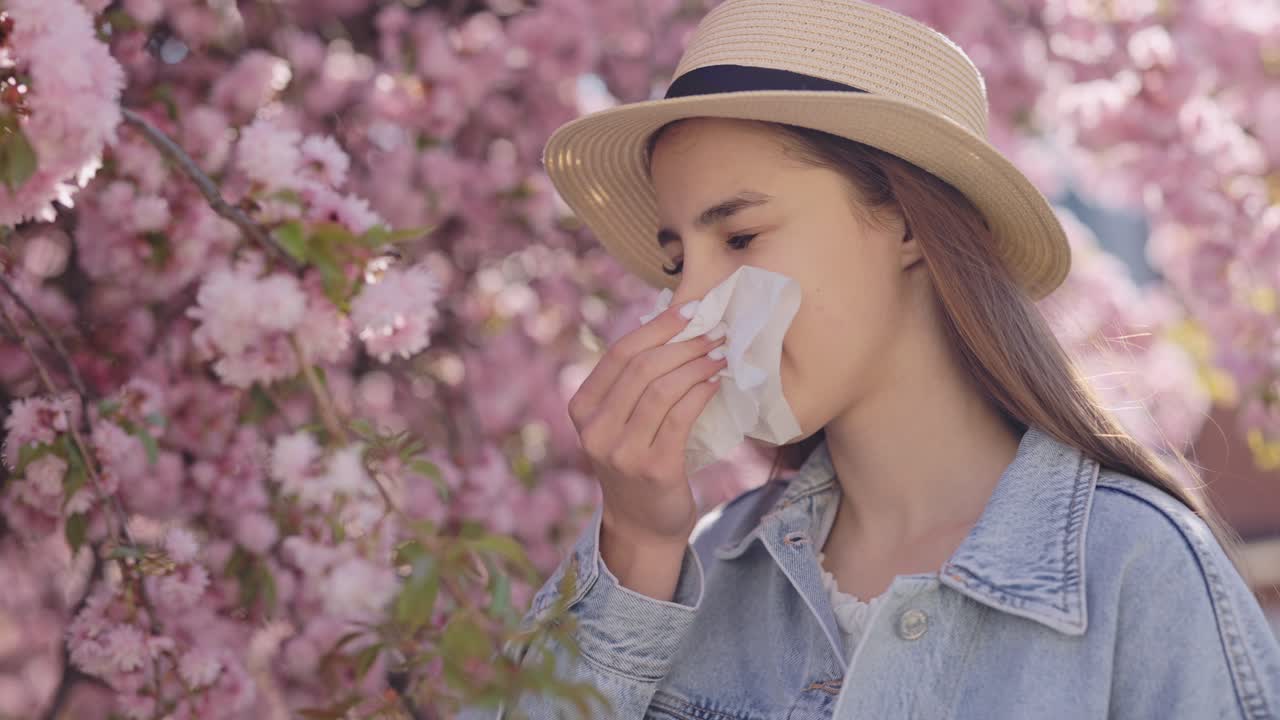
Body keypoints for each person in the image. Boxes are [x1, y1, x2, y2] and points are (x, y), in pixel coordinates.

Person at [471, 0, 1280, 718]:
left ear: (904, 224)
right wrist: (637, 551)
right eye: (678, 261)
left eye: (742, 237)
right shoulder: (693, 571)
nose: (689, 306)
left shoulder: (1139, 574)